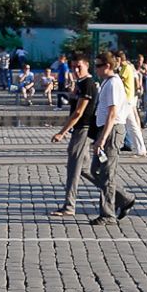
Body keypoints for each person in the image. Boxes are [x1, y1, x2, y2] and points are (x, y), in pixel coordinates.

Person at [88, 50, 138, 225]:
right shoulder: (106, 82)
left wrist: (102, 139)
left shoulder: (113, 84)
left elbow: (112, 113)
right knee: (94, 170)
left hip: (112, 130)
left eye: (98, 65)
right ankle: (124, 198)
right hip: (105, 130)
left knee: (107, 173)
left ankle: (107, 214)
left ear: (107, 66)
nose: (96, 69)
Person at [50, 52, 99, 218]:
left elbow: (79, 112)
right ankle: (122, 196)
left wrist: (62, 132)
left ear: (87, 66)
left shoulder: (88, 84)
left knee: (73, 169)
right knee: (84, 169)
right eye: (73, 67)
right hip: (79, 130)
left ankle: (69, 206)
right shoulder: (80, 83)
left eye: (79, 66)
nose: (76, 70)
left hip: (83, 129)